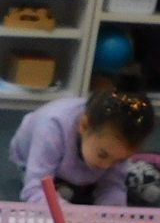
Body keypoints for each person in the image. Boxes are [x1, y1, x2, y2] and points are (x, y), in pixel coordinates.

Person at [10, 72, 156, 206]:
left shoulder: (109, 147)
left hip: (81, 157)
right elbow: (34, 189)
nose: (106, 166)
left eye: (120, 160)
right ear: (84, 126)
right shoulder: (52, 128)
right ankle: (68, 184)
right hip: (36, 157)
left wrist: (110, 216)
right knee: (60, 195)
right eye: (103, 155)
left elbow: (112, 185)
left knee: (109, 182)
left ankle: (84, 179)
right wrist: (72, 216)